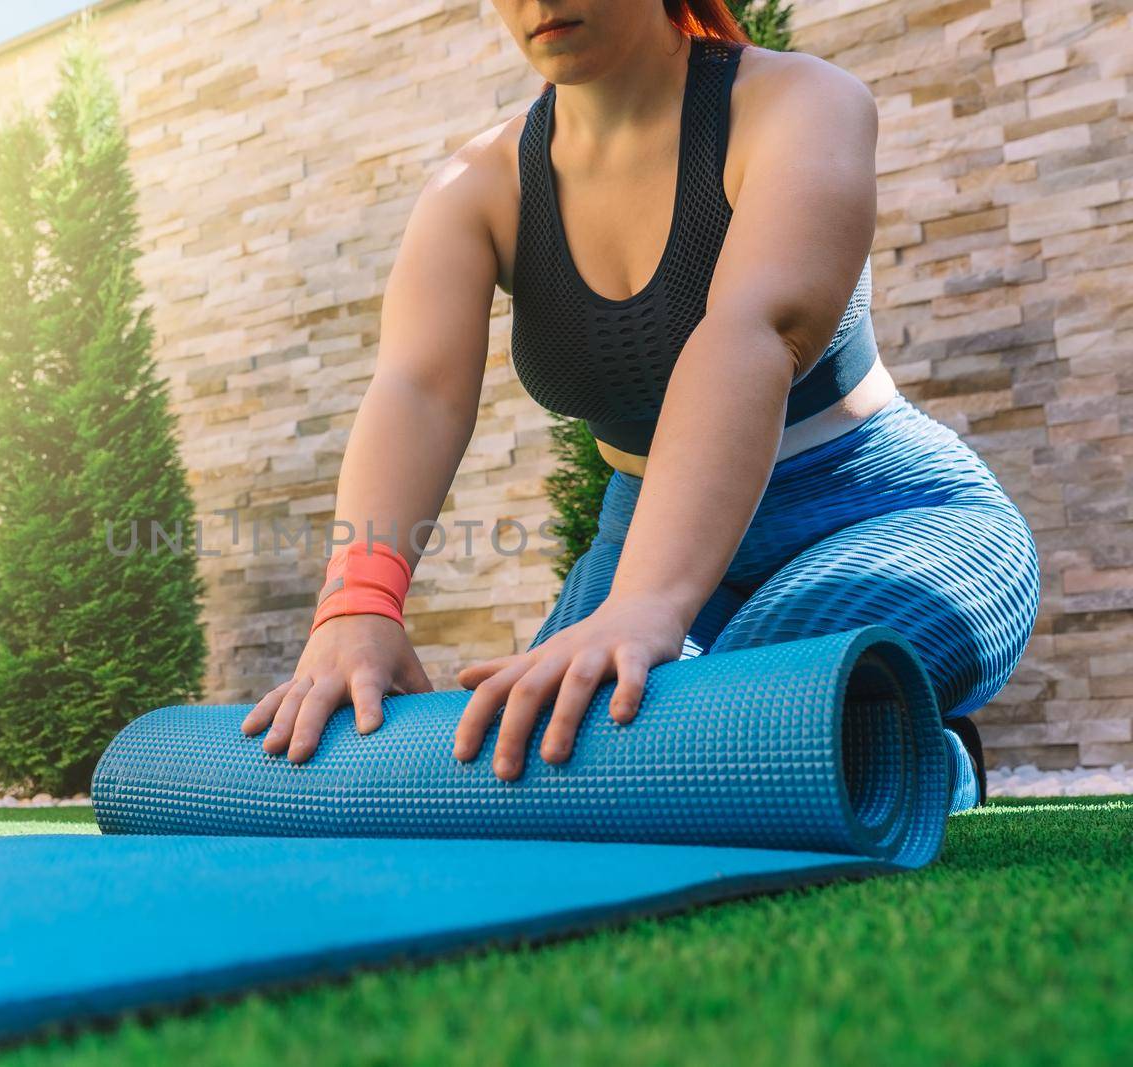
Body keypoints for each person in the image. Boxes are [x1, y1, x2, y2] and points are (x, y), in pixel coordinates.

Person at [239, 0, 1040, 812]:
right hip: (638, 543)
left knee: (746, 700)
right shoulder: (473, 189)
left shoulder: (802, 104)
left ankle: (928, 759)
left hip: (881, 514)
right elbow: (416, 390)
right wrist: (358, 604)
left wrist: (647, 606)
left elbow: (749, 334)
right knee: (537, 759)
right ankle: (870, 741)